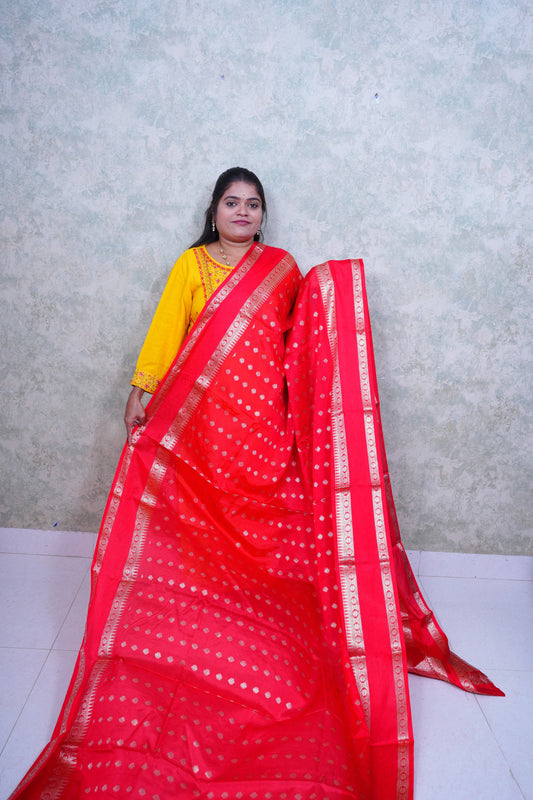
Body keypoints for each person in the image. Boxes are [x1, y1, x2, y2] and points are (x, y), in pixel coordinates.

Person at [10, 168, 502, 800]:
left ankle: (264, 613)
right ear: (213, 211)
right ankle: (202, 600)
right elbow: (168, 329)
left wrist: (332, 289)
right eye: (231, 202)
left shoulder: (282, 267)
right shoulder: (192, 266)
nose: (241, 211)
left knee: (269, 522)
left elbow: (300, 341)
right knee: (200, 515)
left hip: (267, 419)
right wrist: (144, 383)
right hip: (204, 418)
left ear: (262, 216)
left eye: (252, 204)